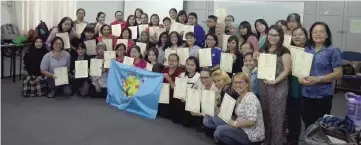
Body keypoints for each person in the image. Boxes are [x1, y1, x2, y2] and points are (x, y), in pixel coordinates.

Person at [299, 22, 343, 129]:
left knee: (321, 124)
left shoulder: (333, 50)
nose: (318, 34)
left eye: (321, 31)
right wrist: (300, 80)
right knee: (307, 122)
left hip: (323, 95)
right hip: (306, 94)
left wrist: (319, 79)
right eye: (315, 32)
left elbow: (338, 73)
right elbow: (300, 71)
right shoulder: (306, 49)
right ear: (311, 34)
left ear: (327, 35)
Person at [259, 25, 292, 145]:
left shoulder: (284, 51)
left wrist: (275, 81)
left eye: (276, 35)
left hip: (278, 87)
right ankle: (266, 139)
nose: (273, 37)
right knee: (265, 113)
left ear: (280, 36)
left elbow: (287, 70)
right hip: (264, 86)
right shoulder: (264, 49)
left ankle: (276, 142)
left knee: (277, 116)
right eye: (270, 35)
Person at [214, 72, 265, 145]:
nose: (237, 85)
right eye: (235, 82)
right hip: (243, 130)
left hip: (252, 137)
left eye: (240, 82)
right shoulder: (239, 97)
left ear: (247, 84)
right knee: (219, 129)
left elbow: (252, 122)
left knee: (220, 130)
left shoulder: (250, 98)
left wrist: (234, 123)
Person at [287, 26, 308, 145]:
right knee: (292, 116)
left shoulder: (310, 50)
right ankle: (293, 139)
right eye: (294, 34)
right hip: (291, 88)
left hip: (307, 89)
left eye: (300, 34)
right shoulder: (288, 50)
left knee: (307, 117)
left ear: (306, 36)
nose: (297, 37)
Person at [203, 69, 233, 138]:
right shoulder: (223, 90)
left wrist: (214, 106)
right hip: (226, 116)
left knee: (209, 116)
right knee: (206, 119)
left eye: (219, 81)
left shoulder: (229, 90)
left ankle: (223, 131)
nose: (217, 84)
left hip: (232, 119)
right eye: (215, 82)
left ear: (225, 79)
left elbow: (225, 113)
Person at [176, 56, 201, 126]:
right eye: (188, 64)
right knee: (175, 119)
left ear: (196, 66)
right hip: (181, 100)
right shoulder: (182, 75)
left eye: (192, 65)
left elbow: (198, 94)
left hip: (192, 102)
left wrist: (187, 99)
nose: (189, 67)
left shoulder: (199, 77)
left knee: (186, 123)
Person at [159, 54, 184, 118]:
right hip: (163, 95)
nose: (171, 62)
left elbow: (178, 89)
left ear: (177, 62)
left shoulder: (180, 72)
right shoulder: (165, 69)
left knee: (170, 116)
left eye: (173, 61)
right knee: (161, 113)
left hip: (173, 97)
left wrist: (169, 79)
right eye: (169, 60)